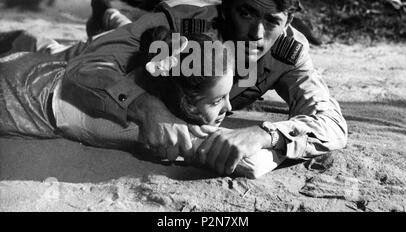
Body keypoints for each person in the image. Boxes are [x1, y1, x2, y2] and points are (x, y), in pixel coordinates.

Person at [56, 0, 347, 176]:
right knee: (65, 53)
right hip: (143, 52)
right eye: (246, 13)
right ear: (226, 7)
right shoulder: (180, 21)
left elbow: (331, 123)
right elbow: (89, 65)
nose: (257, 34)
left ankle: (110, 14)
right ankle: (105, 18)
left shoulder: (290, 51)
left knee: (124, 30)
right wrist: (144, 105)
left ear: (287, 23)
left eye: (272, 21)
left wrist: (263, 134)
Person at [0, 26, 280, 178]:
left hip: (45, 69)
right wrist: (269, 141)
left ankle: (22, 34)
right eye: (217, 100)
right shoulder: (157, 126)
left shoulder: (154, 72)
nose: (229, 109)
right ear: (185, 102)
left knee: (47, 46)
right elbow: (254, 165)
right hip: (15, 98)